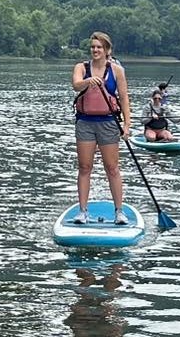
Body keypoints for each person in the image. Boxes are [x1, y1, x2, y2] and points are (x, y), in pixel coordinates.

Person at [71, 31, 131, 225]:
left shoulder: (116, 71)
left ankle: (119, 211)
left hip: (108, 123)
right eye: (93, 47)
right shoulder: (82, 67)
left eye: (99, 47)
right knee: (84, 167)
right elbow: (76, 85)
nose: (95, 50)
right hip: (85, 123)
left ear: (107, 50)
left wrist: (126, 125)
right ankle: (82, 211)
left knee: (112, 168)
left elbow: (124, 98)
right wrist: (88, 81)